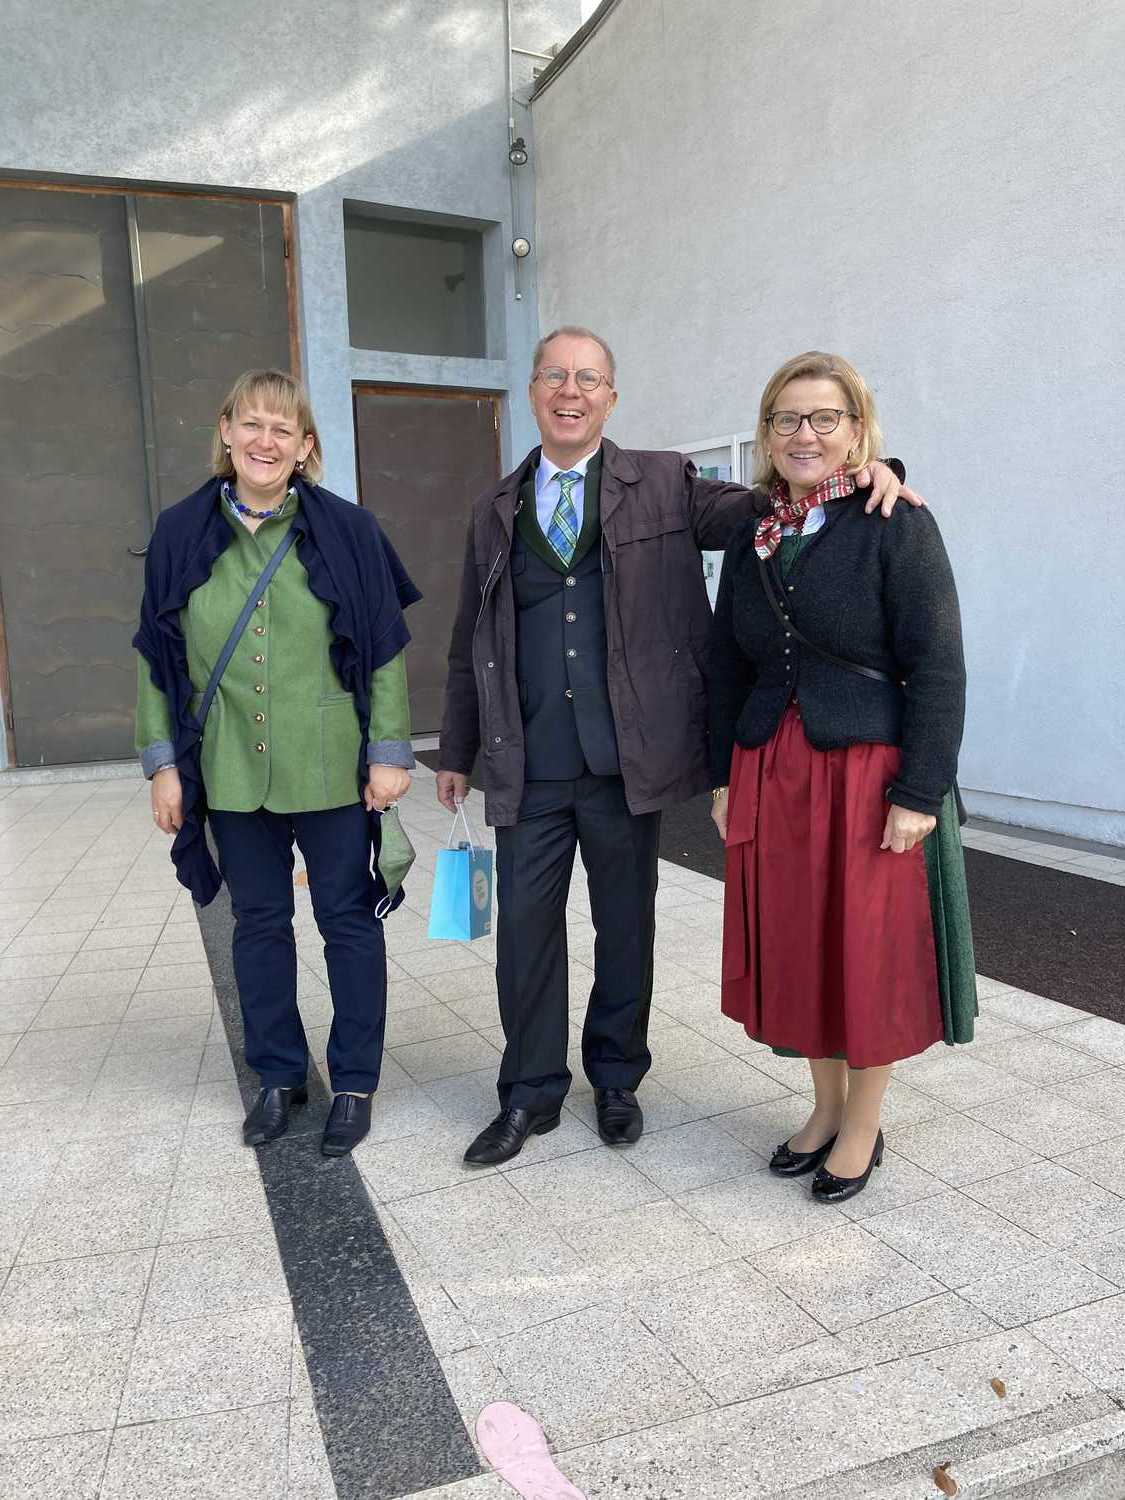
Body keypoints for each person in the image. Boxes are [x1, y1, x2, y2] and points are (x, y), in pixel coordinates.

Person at [437, 326, 920, 1167]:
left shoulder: (662, 481)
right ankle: (528, 1093)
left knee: (626, 928)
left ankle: (616, 1081)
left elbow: (774, 502)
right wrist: (455, 749)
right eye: (555, 375)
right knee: (524, 933)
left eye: (588, 378)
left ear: (610, 398)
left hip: (626, 760)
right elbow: (467, 634)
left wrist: (873, 472)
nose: (571, 391)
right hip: (530, 759)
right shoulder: (495, 509)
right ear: (533, 391)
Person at [708, 351, 975, 1204]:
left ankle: (862, 1123)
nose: (805, 434)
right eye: (787, 418)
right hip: (770, 767)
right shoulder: (755, 532)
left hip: (866, 771)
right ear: (766, 433)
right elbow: (726, 665)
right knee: (800, 946)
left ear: (856, 430)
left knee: (865, 951)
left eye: (825, 418)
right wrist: (722, 777)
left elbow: (937, 664)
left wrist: (920, 791)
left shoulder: (895, 522)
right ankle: (823, 1108)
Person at [133, 369, 419, 1157]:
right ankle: (278, 1076)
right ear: (226, 431)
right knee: (257, 925)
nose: (265, 441)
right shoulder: (179, 530)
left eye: (282, 429)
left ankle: (353, 1081)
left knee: (347, 922)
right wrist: (162, 764)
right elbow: (155, 655)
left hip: (330, 766)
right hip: (229, 767)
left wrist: (388, 752)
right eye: (251, 424)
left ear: (304, 446)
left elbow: (384, 649)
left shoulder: (349, 529)